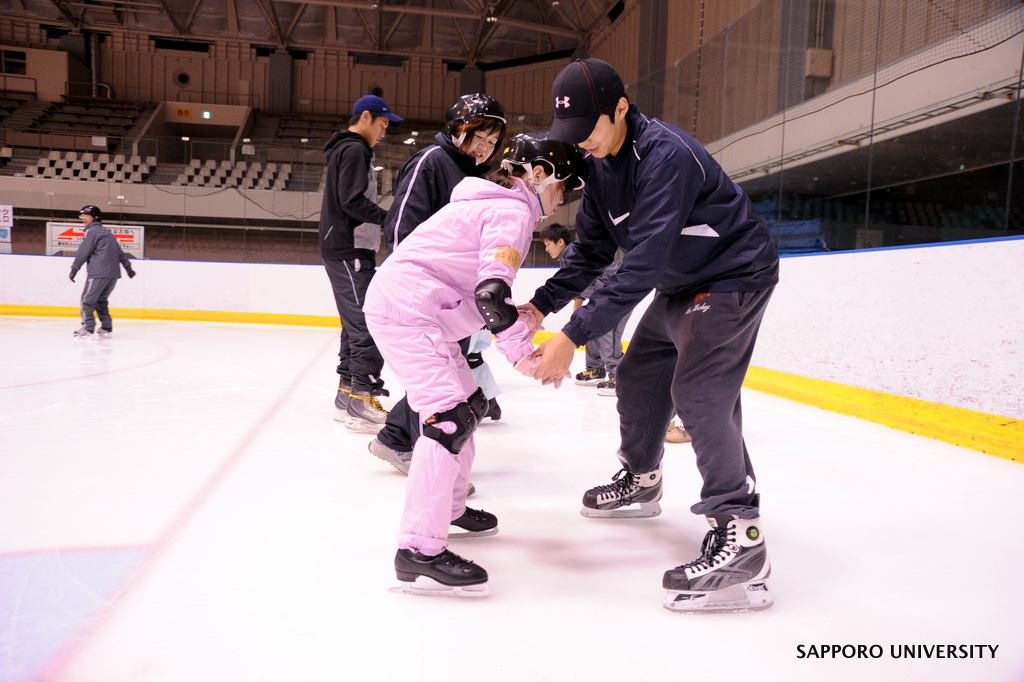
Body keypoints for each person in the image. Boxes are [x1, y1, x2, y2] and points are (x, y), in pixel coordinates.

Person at [523, 58, 780, 613]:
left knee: (699, 392)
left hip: (732, 277)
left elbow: (641, 264)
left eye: (589, 126)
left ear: (621, 108)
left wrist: (572, 335)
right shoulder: (599, 166)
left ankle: (742, 535)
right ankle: (642, 478)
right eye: (573, 131)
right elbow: (592, 252)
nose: (582, 141)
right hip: (681, 283)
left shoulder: (666, 155)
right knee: (639, 378)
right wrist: (539, 306)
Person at [363, 132, 587, 597]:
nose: (562, 201)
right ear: (540, 174)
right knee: (448, 417)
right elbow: (491, 296)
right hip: (408, 312)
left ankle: (449, 507)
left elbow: (484, 293)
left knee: (470, 402)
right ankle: (418, 550)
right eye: (564, 188)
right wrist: (525, 356)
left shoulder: (493, 202)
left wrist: (523, 327)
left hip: (421, 310)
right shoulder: (512, 211)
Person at [369, 94, 507, 480]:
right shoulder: (432, 161)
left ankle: (398, 437)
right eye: (480, 136)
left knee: (444, 371)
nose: (485, 147)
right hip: (421, 296)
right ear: (459, 129)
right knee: (438, 378)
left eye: (493, 141)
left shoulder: (471, 174)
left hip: (448, 300)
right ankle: (425, 459)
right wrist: (412, 289)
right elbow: (401, 226)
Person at [320, 94, 402, 432]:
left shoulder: (349, 149)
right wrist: (390, 218)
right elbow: (351, 201)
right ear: (365, 117)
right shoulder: (355, 149)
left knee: (354, 324)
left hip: (348, 247)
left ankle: (347, 394)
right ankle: (361, 398)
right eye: (383, 124)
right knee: (368, 322)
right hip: (348, 247)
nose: (384, 131)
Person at [539, 222, 628, 396]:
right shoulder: (568, 257)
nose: (546, 249)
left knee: (608, 332)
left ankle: (619, 376)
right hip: (604, 296)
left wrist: (590, 304)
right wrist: (578, 308)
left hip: (619, 293)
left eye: (548, 244)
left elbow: (597, 276)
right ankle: (595, 369)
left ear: (560, 242)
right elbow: (580, 284)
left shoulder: (574, 253)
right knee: (591, 326)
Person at [68, 205, 135, 337]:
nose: (83, 218)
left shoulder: (92, 231)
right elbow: (120, 252)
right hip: (112, 274)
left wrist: (74, 268)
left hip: (98, 272)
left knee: (87, 300)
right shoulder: (107, 232)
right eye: (82, 215)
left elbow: (83, 251)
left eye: (86, 215)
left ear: (95, 217)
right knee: (100, 300)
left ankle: (87, 328)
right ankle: (106, 326)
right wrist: (128, 268)